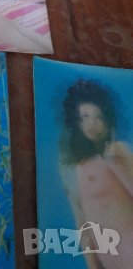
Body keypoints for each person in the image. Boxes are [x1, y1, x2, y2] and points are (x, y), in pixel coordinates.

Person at [59, 79, 133, 269]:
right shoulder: (71, 166)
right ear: (75, 121)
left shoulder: (120, 150)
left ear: (108, 121)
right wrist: (92, 266)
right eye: (85, 116)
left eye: (98, 117)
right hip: (108, 260)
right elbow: (82, 223)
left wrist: (116, 164)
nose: (92, 123)